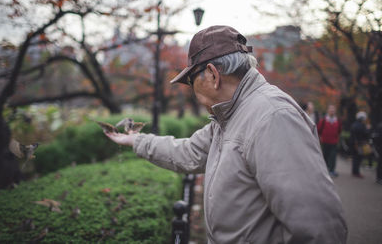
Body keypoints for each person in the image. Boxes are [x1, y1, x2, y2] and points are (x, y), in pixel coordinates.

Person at [105, 25, 347, 244]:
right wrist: (136, 140)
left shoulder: (272, 117)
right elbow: (188, 152)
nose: (192, 90)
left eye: (191, 80)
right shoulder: (230, 116)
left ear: (212, 74)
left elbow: (319, 229)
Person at [317, 104, 342, 177]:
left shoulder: (338, 121)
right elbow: (318, 130)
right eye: (330, 109)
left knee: (333, 157)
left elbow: (339, 130)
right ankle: (324, 170)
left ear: (335, 111)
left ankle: (332, 170)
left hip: (334, 142)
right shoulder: (324, 120)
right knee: (325, 156)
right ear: (328, 110)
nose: (332, 111)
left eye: (333, 109)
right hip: (325, 142)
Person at [350, 111, 370, 178]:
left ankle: (354, 171)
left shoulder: (353, 124)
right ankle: (357, 172)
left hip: (353, 143)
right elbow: (366, 134)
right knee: (358, 158)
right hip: (360, 144)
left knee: (355, 158)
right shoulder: (362, 125)